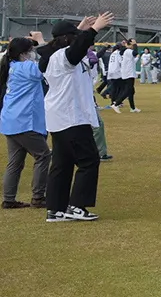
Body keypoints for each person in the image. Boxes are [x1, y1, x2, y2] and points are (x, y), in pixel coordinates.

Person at [38, 13, 116, 223]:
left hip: (60, 118)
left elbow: (64, 47)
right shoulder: (62, 57)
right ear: (66, 39)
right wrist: (93, 29)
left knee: (62, 165)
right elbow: (76, 49)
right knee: (89, 160)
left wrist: (80, 29)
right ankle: (76, 206)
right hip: (72, 117)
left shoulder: (51, 57)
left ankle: (55, 209)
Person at [1, 34, 50, 209]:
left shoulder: (12, 67)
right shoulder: (27, 67)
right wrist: (43, 43)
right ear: (24, 53)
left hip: (10, 120)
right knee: (43, 155)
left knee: (15, 162)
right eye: (30, 50)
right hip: (24, 121)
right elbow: (47, 64)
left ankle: (9, 198)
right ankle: (38, 196)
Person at [112, 39, 139, 113]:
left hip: (127, 72)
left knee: (131, 91)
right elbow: (135, 53)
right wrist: (135, 44)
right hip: (128, 73)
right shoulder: (128, 51)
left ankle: (132, 108)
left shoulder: (125, 51)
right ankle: (116, 103)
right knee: (128, 90)